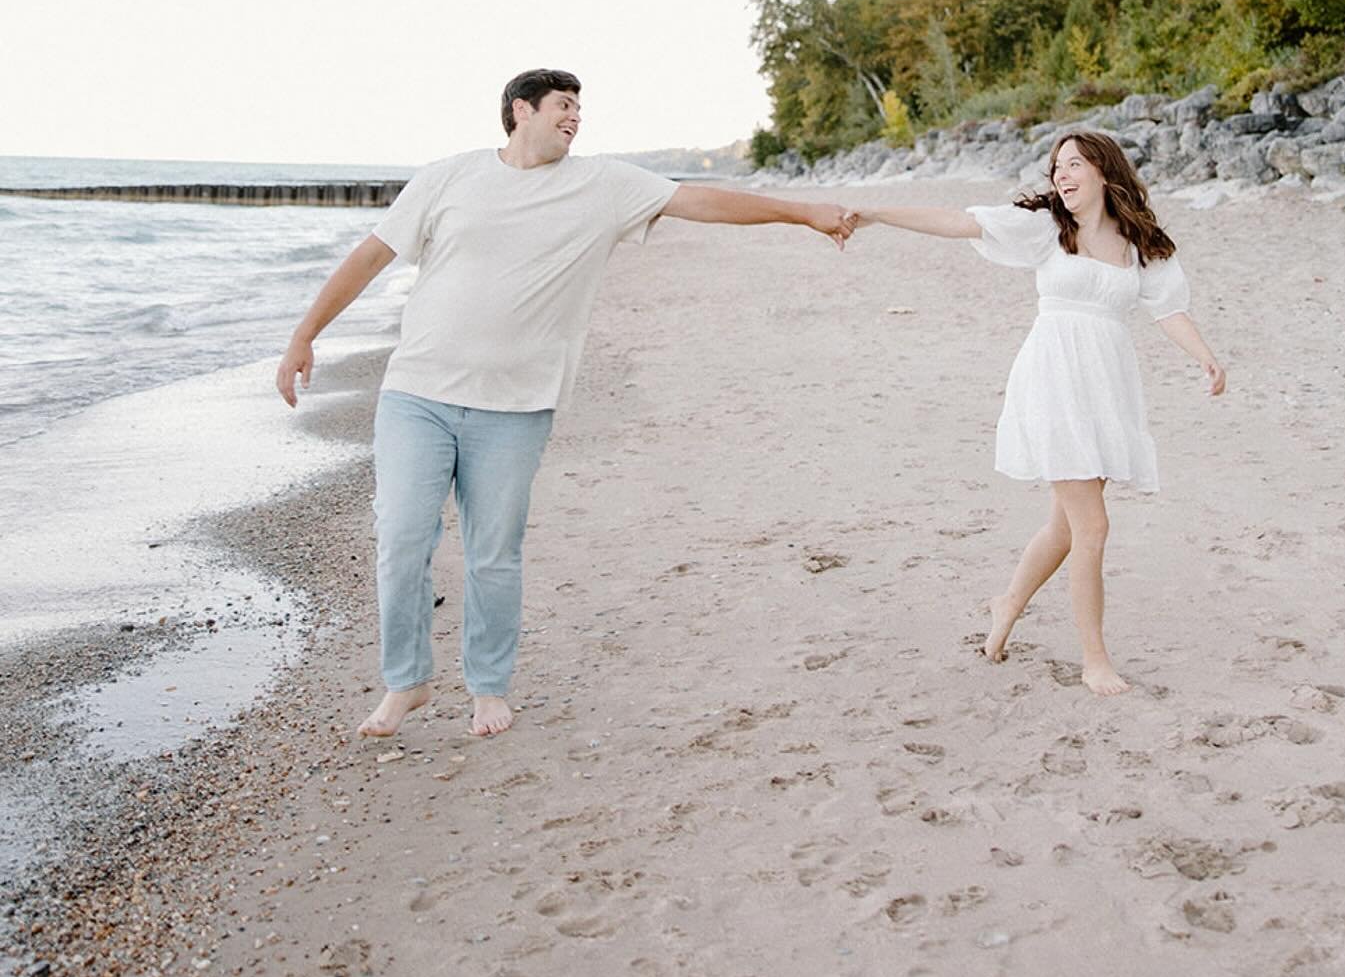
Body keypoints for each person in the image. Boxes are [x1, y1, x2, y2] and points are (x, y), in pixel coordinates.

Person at [275, 68, 851, 740]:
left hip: (516, 407)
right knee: (401, 538)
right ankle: (408, 681)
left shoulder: (603, 185)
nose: (576, 117)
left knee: (494, 553)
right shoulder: (448, 177)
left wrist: (803, 213)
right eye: (564, 105)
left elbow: (704, 202)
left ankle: (488, 686)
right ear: (522, 110)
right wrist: (304, 335)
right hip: (418, 394)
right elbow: (371, 256)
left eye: (580, 108)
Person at [847, 130, 1225, 696]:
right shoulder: (1048, 229)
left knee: (1064, 527)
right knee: (1092, 525)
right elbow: (960, 222)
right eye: (1056, 168)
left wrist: (1206, 359)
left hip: (1105, 387)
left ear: (1104, 170)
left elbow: (1168, 308)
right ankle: (1094, 659)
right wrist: (877, 213)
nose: (1062, 175)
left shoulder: (1136, 242)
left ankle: (1007, 604)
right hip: (1053, 382)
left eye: (1074, 164)